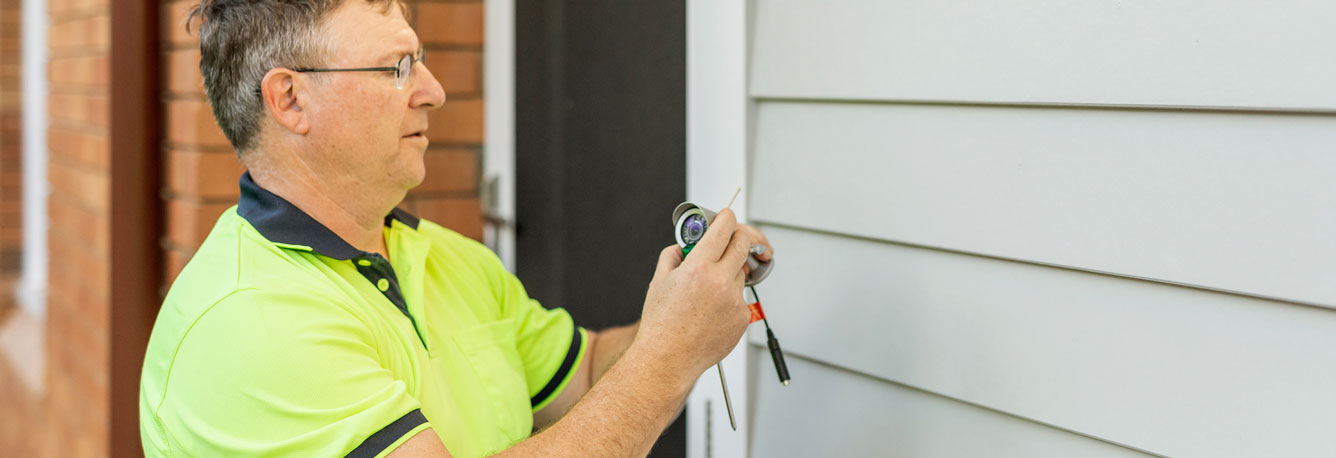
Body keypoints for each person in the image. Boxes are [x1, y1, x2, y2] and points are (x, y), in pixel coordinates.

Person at [138, 1, 773, 457]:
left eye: (420, 61)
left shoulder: (445, 258)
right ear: (290, 100)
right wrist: (670, 355)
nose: (434, 91)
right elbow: (647, 373)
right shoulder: (249, 322)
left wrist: (688, 303)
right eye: (397, 67)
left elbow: (580, 378)